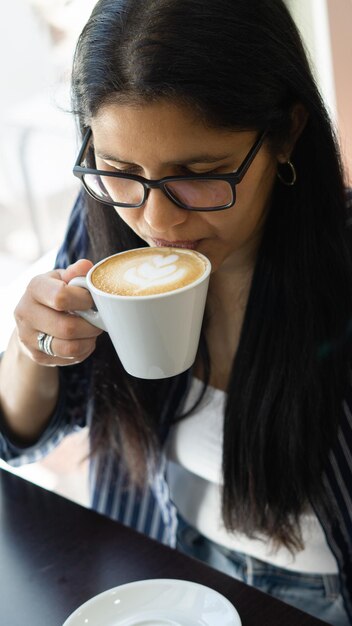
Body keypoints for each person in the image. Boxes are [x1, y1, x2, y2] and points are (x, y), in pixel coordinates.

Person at [0, 0, 351, 623]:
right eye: (119, 170)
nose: (156, 222)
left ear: (287, 132)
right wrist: (32, 351)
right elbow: (19, 444)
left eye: (200, 173)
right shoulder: (108, 223)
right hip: (152, 567)